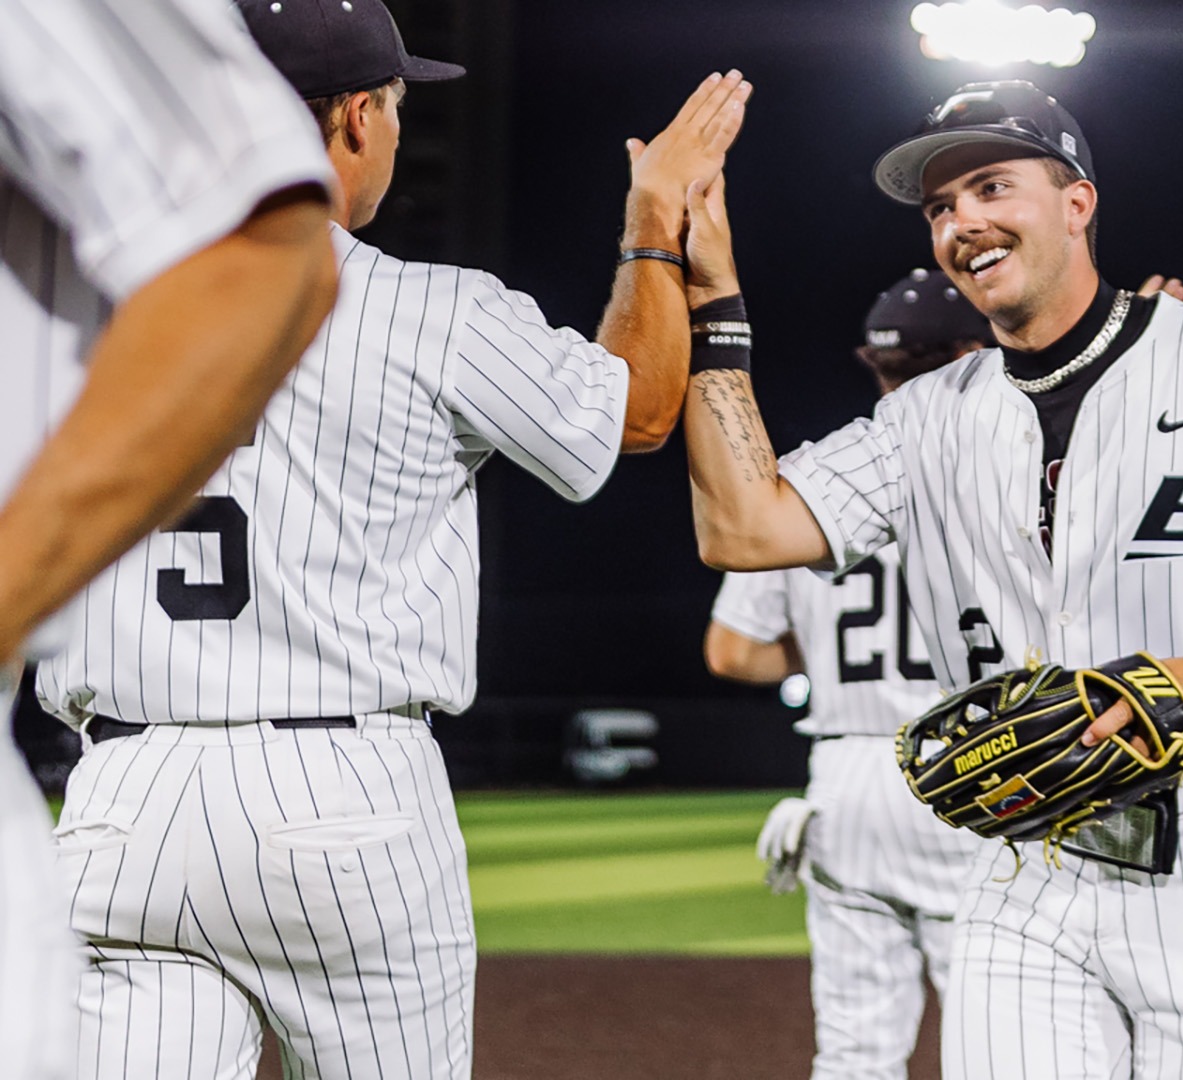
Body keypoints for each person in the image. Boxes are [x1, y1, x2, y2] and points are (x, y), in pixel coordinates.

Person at [34, 1, 751, 1075]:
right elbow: (637, 411)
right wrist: (652, 223)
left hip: (118, 802)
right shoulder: (430, 310)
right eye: (399, 107)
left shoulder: (67, 307)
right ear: (358, 117)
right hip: (344, 796)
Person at [677, 80, 1183, 1078]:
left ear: (1078, 202)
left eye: (992, 187)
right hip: (1019, 864)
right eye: (941, 206)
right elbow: (742, 528)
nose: (963, 223)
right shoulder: (924, 416)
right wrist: (714, 305)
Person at [0, 0, 339, 1075]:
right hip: (343, 767)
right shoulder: (454, 313)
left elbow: (260, 244)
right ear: (362, 116)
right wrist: (673, 254)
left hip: (118, 765)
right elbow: (630, 420)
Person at [705, 267, 993, 1078]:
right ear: (970, 354)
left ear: (875, 362)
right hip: (972, 766)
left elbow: (733, 651)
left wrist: (824, 649)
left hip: (847, 774)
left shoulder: (816, 474)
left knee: (855, 1051)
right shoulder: (1007, 471)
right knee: (998, 1041)